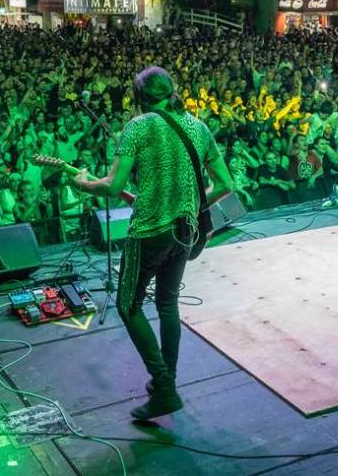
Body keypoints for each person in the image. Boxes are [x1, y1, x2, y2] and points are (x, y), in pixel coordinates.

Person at [71, 66, 233, 420]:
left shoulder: (137, 127)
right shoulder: (198, 127)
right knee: (167, 304)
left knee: (128, 306)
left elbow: (112, 186)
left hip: (149, 233)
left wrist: (82, 183)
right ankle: (167, 383)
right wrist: (189, 204)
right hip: (185, 231)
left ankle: (163, 387)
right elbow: (225, 183)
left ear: (139, 97)